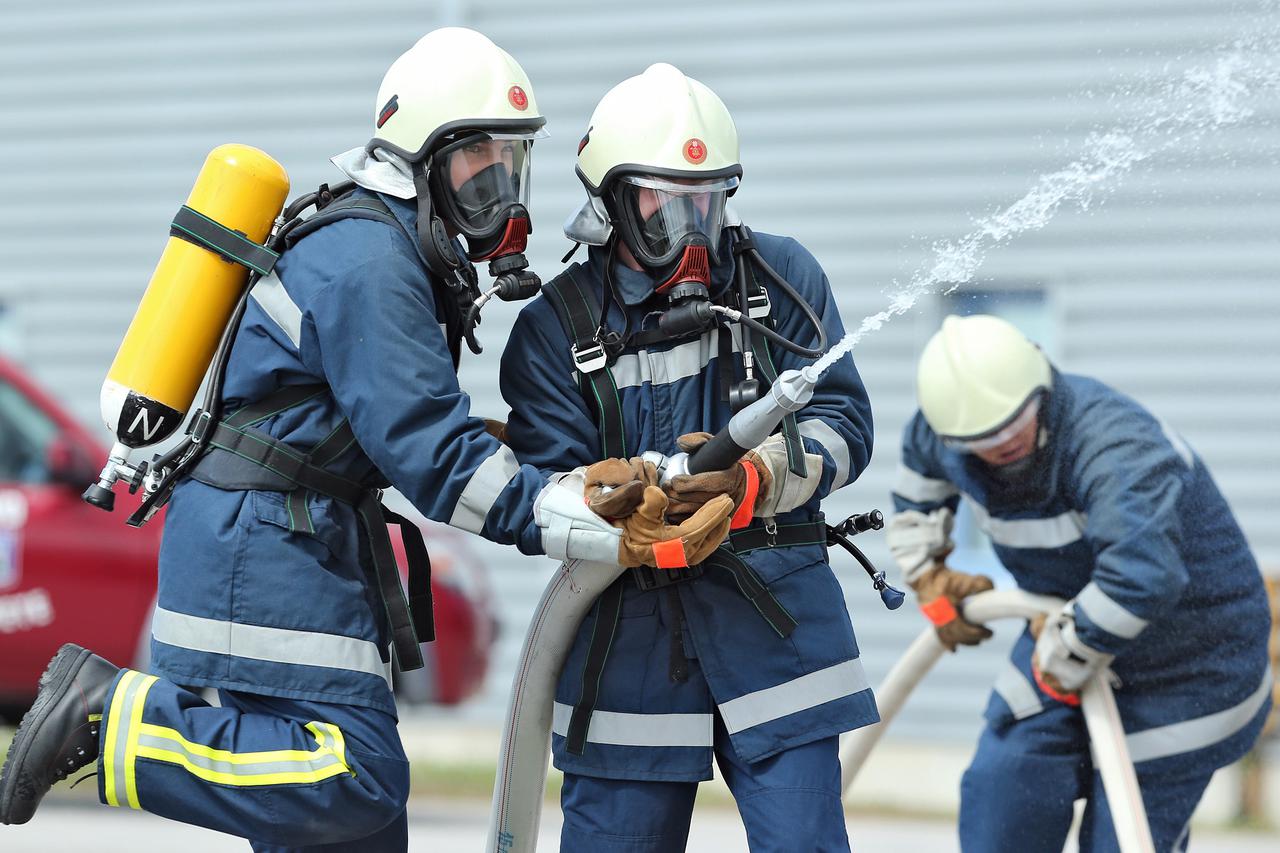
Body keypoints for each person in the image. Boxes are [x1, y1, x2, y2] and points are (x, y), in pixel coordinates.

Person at [0, 29, 732, 851]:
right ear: (421, 158)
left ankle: (109, 721)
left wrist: (559, 472)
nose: (501, 190)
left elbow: (385, 424)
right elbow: (431, 451)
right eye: (478, 163)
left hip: (294, 540)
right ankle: (110, 723)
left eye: (511, 163)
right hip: (270, 551)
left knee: (362, 831)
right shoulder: (369, 259)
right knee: (357, 777)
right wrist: (572, 516)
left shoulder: (385, 243)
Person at [499, 63, 876, 853]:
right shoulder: (554, 330)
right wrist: (613, 500)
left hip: (777, 625)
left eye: (706, 202)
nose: (691, 231)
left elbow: (845, 421)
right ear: (612, 202)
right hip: (628, 638)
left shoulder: (781, 280)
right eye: (664, 206)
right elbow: (541, 490)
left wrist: (760, 477)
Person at [886, 313, 1273, 853]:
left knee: (1125, 837)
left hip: (1194, 666)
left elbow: (1142, 576)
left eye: (1011, 424)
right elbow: (917, 501)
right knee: (1004, 793)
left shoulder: (1114, 445)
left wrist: (1070, 646)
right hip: (1061, 627)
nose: (1001, 445)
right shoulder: (944, 431)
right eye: (981, 438)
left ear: (1039, 386)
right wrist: (930, 583)